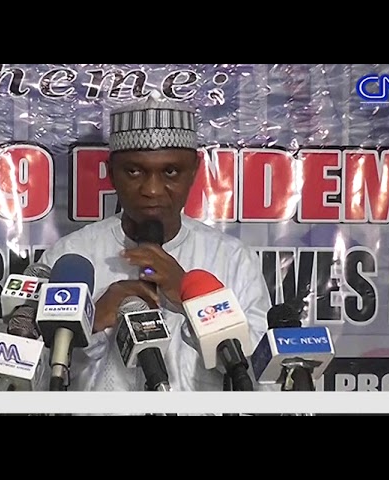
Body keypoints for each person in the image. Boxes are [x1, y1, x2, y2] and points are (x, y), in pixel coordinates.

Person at [34, 91, 273, 396]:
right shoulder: (69, 257)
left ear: (194, 171)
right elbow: (30, 379)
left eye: (170, 172)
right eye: (134, 171)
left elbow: (261, 378)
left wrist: (191, 300)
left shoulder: (233, 259)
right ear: (111, 172)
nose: (152, 190)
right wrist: (89, 321)